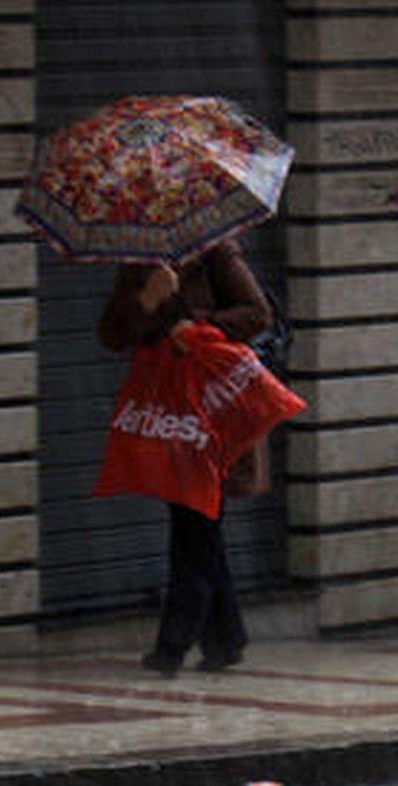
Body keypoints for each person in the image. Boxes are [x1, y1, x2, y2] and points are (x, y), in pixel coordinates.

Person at [99, 238, 272, 675]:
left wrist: (195, 327)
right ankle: (225, 638)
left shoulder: (218, 252)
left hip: (213, 411)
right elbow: (112, 334)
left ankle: (172, 646)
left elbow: (256, 313)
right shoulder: (139, 262)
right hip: (170, 411)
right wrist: (148, 299)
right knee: (196, 522)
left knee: (196, 524)